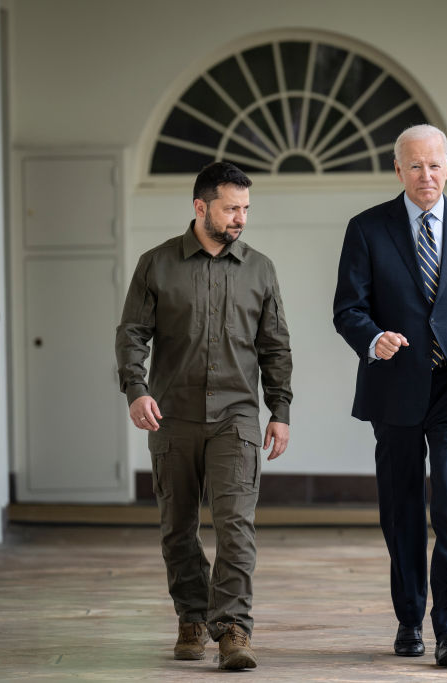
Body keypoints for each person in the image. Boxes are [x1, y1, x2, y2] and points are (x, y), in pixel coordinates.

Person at [332, 124, 447, 667]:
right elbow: (347, 308)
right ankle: (409, 619)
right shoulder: (367, 229)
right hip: (395, 388)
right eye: (415, 166)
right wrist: (372, 337)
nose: (425, 175)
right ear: (398, 170)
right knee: (402, 509)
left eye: (434, 165)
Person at [115, 161, 292, 671]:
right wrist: (135, 389)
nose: (240, 218)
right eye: (231, 208)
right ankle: (192, 617)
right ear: (200, 207)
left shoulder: (260, 268)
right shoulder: (156, 264)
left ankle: (234, 628)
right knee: (178, 527)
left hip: (236, 416)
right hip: (172, 418)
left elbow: (275, 345)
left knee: (236, 526)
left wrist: (279, 409)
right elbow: (132, 333)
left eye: (245, 209)